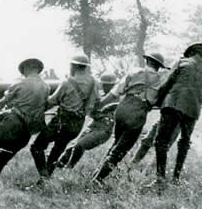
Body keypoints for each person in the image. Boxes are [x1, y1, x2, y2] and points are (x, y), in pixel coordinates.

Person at [64, 54, 161, 186]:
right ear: (158, 66)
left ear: (147, 61)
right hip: (138, 113)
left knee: (115, 144)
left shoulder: (134, 72)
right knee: (120, 150)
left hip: (123, 108)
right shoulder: (160, 79)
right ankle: (97, 180)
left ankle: (97, 173)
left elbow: (115, 92)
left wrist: (100, 105)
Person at [147, 42, 202, 185]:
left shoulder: (181, 62)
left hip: (173, 104)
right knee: (184, 143)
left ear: (190, 53)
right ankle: (176, 178)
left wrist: (157, 102)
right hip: (193, 110)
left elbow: (167, 83)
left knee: (161, 142)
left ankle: (160, 180)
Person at [0, 58, 48, 181]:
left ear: (27, 67)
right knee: (4, 155)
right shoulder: (46, 87)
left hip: (13, 123)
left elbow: (1, 103)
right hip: (27, 131)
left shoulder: (20, 84)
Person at [29, 56, 96, 181]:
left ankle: (44, 175)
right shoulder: (93, 82)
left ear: (74, 66)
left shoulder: (67, 83)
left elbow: (52, 101)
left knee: (36, 147)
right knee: (57, 150)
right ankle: (45, 180)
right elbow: (93, 103)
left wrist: (35, 108)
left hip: (61, 121)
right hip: (77, 125)